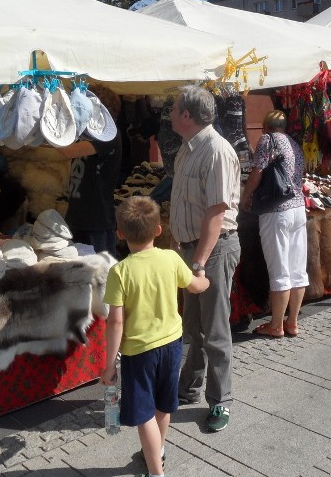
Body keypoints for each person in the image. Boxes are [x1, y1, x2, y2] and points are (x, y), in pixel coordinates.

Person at [102, 197, 210, 477]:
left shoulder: (120, 272)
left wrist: (109, 363)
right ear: (159, 230)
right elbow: (196, 285)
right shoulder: (171, 258)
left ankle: (156, 472)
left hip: (139, 352)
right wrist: (205, 278)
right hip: (172, 344)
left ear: (120, 233)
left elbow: (115, 321)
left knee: (144, 414)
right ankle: (157, 453)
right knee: (164, 404)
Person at [169, 85, 241, 433]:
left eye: (173, 109)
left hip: (212, 250)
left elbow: (216, 213)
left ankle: (221, 401)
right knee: (192, 328)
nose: (168, 114)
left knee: (214, 330)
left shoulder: (216, 150)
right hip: (192, 250)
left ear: (187, 115)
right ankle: (191, 386)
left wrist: (197, 261)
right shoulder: (188, 149)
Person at [240, 110, 308, 338]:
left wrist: (245, 195)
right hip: (299, 209)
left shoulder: (268, 140)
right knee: (297, 270)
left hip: (276, 211)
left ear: (265, 126)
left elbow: (257, 172)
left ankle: (276, 325)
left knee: (279, 270)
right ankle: (293, 322)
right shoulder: (294, 144)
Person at [58, 84, 122, 257]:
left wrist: (53, 128)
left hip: (97, 221)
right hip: (77, 217)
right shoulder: (87, 136)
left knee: (101, 275)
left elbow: (67, 151)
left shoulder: (109, 136)